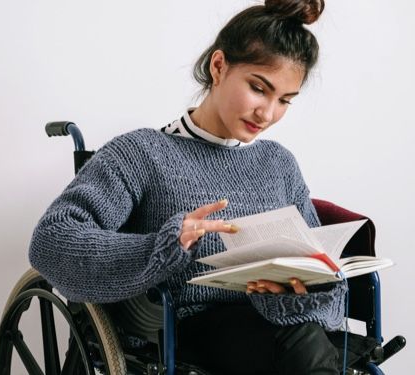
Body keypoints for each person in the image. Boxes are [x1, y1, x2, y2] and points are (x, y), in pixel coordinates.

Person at [29, 0, 346, 373]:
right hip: (181, 329)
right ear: (219, 66)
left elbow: (318, 269)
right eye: (259, 89)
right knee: (305, 349)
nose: (268, 113)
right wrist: (163, 245)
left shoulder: (279, 163)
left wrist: (303, 287)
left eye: (284, 101)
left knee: (318, 345)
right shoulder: (142, 153)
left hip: (275, 331)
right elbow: (51, 241)